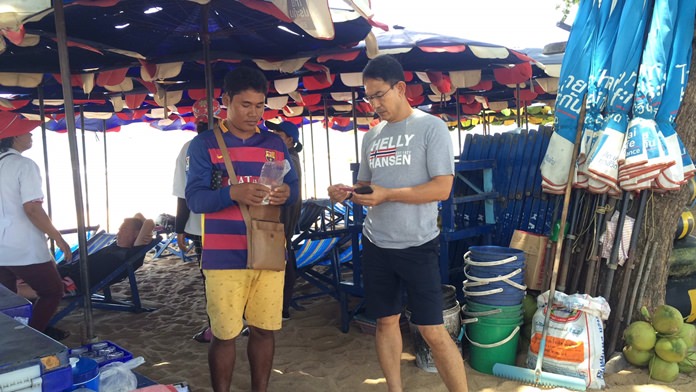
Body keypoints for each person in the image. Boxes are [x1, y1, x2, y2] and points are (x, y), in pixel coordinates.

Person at [327, 54, 468, 392]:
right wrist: (346, 193)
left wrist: (387, 194)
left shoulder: (430, 127)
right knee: (385, 322)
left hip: (418, 245)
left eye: (379, 95)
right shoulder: (371, 137)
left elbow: (442, 188)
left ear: (401, 88)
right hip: (376, 243)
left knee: (432, 329)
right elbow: (367, 187)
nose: (374, 104)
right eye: (368, 97)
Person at [185, 66, 299, 392]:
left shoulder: (275, 143)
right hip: (223, 256)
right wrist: (231, 193)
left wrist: (285, 193)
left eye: (260, 105)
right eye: (245, 105)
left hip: (267, 250)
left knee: (265, 330)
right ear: (226, 101)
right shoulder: (204, 144)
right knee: (225, 334)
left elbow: (291, 186)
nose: (254, 113)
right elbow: (195, 199)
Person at [0, 118, 73, 341]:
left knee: (8, 300)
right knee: (52, 291)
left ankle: (12, 337)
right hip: (22, 245)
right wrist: (57, 237)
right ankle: (33, 338)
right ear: (15, 137)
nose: (31, 136)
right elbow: (32, 208)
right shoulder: (24, 165)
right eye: (28, 133)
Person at [173, 98, 220, 343]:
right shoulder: (232, 145)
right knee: (233, 274)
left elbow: (183, 192)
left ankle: (216, 327)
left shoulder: (189, 148)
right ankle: (235, 322)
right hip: (233, 222)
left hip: (201, 226)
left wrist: (179, 228)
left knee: (209, 277)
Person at [265, 120, 303, 320]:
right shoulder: (290, 158)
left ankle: (281, 309)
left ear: (289, 140)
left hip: (281, 219)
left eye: (278, 134)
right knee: (285, 259)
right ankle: (282, 308)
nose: (272, 136)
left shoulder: (285, 159)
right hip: (285, 219)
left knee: (282, 262)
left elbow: (267, 186)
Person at [58, 216, 151, 292]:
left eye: (124, 230)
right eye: (119, 230)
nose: (118, 233)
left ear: (137, 234)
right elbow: (138, 215)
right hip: (67, 270)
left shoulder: (132, 254)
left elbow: (149, 222)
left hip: (73, 282)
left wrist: (145, 234)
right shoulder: (116, 245)